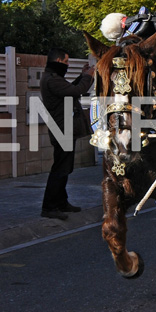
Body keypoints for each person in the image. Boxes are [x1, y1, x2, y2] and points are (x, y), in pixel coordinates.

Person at [40, 48, 95, 220]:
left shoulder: (54, 79)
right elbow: (76, 91)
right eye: (65, 62)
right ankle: (49, 207)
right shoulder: (51, 80)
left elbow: (70, 88)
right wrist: (89, 76)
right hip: (61, 129)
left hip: (64, 128)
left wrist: (82, 75)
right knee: (60, 169)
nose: (67, 65)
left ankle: (61, 202)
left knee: (65, 167)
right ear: (57, 61)